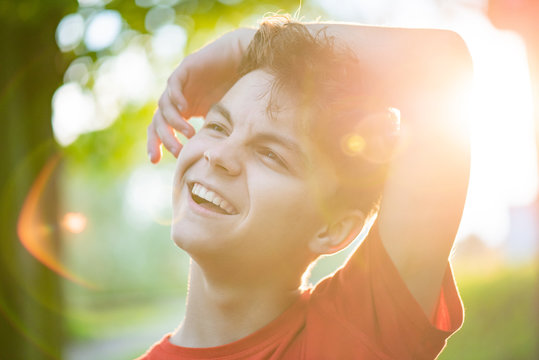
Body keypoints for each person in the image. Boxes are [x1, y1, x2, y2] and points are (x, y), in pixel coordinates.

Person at [138, 15, 472, 360]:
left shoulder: (359, 332)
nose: (218, 155)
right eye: (219, 126)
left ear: (333, 228)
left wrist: (246, 43)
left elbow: (440, 65)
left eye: (269, 154)